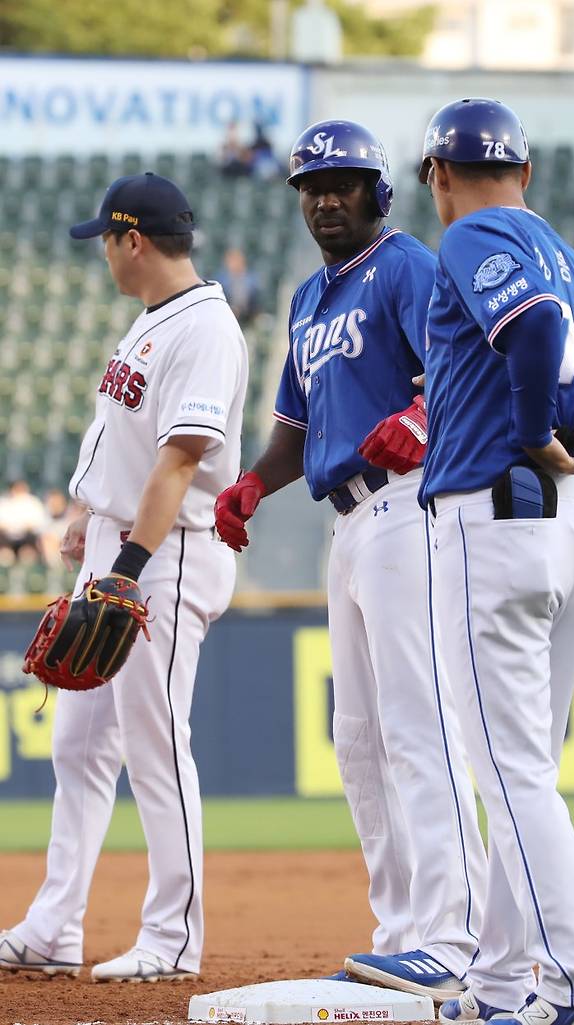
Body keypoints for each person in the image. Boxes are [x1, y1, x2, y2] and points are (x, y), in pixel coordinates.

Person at [214, 120, 487, 1002]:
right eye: (311, 186)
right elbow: (296, 426)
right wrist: (255, 483)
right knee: (358, 739)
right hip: (346, 521)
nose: (326, 197)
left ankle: (458, 932)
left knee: (419, 721)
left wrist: (428, 418)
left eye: (343, 182)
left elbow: (462, 363)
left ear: (380, 191)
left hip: (408, 506)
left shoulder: (406, 265)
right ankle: (401, 930)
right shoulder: (308, 300)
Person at [388, 97, 574, 1025]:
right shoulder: (568, 252)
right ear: (529, 172)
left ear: (439, 176)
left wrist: (526, 433)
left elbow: (526, 332)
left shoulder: (468, 234)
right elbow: (553, 351)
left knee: (513, 779)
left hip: (500, 526)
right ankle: (496, 981)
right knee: (531, 778)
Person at [0, 172, 247, 981]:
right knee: (78, 743)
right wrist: (88, 517)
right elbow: (129, 438)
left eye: (104, 237)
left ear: (131, 239)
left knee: (157, 743)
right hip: (120, 543)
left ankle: (173, 937)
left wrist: (128, 569)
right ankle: (53, 925)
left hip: (164, 552)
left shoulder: (204, 328)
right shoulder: (152, 322)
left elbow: (182, 459)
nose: (102, 252)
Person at [217, 246, 262, 324]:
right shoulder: (221, 281)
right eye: (232, 261)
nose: (234, 264)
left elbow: (256, 302)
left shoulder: (251, 281)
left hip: (248, 316)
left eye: (237, 260)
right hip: (227, 316)